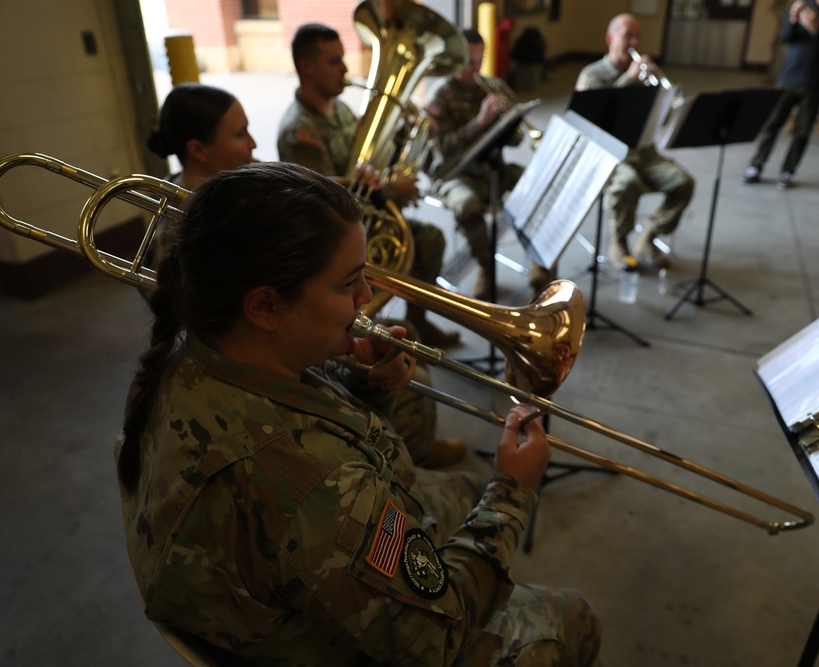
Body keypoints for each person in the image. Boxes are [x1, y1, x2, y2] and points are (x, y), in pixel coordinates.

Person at [116, 161, 602, 666]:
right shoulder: (316, 486)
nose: (368, 297)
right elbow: (437, 640)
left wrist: (362, 389)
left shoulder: (198, 345)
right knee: (573, 616)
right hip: (343, 638)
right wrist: (511, 494)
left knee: (459, 490)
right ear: (264, 308)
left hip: (280, 575)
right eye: (348, 283)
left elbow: (303, 432)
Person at [277, 22, 459, 349]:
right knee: (415, 243)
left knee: (429, 239)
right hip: (332, 238)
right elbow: (321, 204)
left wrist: (407, 136)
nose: (345, 69)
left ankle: (418, 321)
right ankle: (362, 326)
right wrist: (390, 190)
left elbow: (368, 163)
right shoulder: (299, 131)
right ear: (306, 66)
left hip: (362, 215)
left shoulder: (342, 109)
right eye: (334, 61)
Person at [576, 14, 695, 273]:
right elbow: (595, 118)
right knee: (627, 183)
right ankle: (618, 243)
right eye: (627, 35)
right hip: (610, 153)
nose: (634, 41)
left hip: (643, 150)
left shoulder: (644, 74)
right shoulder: (593, 74)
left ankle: (649, 237)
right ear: (610, 39)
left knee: (683, 182)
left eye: (638, 35)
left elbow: (660, 120)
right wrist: (629, 80)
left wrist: (662, 97)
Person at [423, 28, 528, 300]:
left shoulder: (494, 87)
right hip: (454, 174)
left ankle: (540, 263)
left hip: (491, 167)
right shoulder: (439, 97)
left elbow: (517, 141)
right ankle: (485, 267)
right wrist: (479, 123)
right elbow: (440, 153)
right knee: (467, 205)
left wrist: (509, 122)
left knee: (534, 186)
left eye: (479, 60)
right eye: (469, 61)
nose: (474, 68)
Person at [741, 0, 819, 190]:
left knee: (802, 130)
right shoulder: (803, 5)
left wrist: (816, 29)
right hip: (788, 77)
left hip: (815, 81)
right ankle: (756, 165)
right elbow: (785, 37)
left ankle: (788, 171)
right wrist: (793, 20)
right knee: (772, 124)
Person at [146, 83, 256, 263]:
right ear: (198, 150)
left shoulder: (243, 175)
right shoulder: (177, 225)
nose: (253, 144)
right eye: (240, 134)